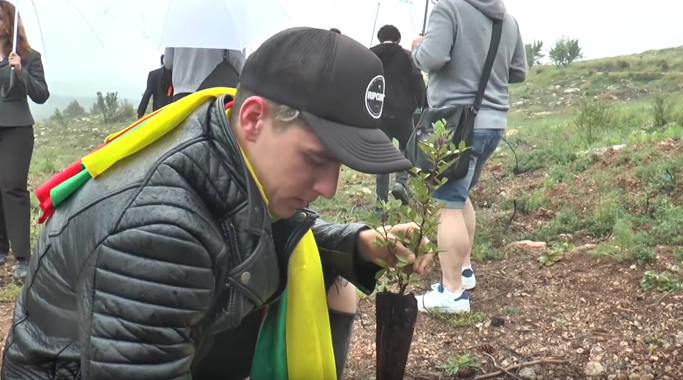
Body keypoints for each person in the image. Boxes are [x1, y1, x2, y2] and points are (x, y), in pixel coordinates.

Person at [1, 27, 431, 380]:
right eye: (316, 159)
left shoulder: (217, 135)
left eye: (339, 164)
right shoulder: (158, 234)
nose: (329, 187)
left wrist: (357, 244)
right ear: (253, 118)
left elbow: (233, 220)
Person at [411, 0, 527, 313]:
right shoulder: (507, 19)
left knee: (447, 200)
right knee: (460, 197)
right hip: (493, 124)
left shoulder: (448, 8)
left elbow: (431, 58)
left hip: (456, 123)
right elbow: (518, 71)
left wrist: (417, 47)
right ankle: (464, 270)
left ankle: (452, 294)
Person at [0, 0, 49, 282]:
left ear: (9, 21)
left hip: (16, 129)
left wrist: (20, 71)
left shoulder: (28, 56)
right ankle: (0, 250)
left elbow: (41, 94)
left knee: (11, 186)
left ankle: (21, 258)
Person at [370, 24, 425, 206]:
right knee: (408, 150)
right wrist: (423, 103)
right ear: (398, 39)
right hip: (403, 114)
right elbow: (417, 81)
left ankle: (381, 203)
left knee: (381, 159)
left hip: (379, 116)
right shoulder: (406, 56)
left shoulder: (370, 56)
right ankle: (401, 182)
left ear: (380, 38)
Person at [164, 47, 245, 102]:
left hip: (181, 91)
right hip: (215, 91)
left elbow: (168, 62)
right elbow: (237, 61)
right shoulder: (230, 22)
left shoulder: (174, 23)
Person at [136, 54, 172, 119]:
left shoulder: (153, 74)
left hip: (158, 111)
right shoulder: (176, 74)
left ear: (162, 62)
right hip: (175, 110)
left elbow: (147, 94)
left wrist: (140, 112)